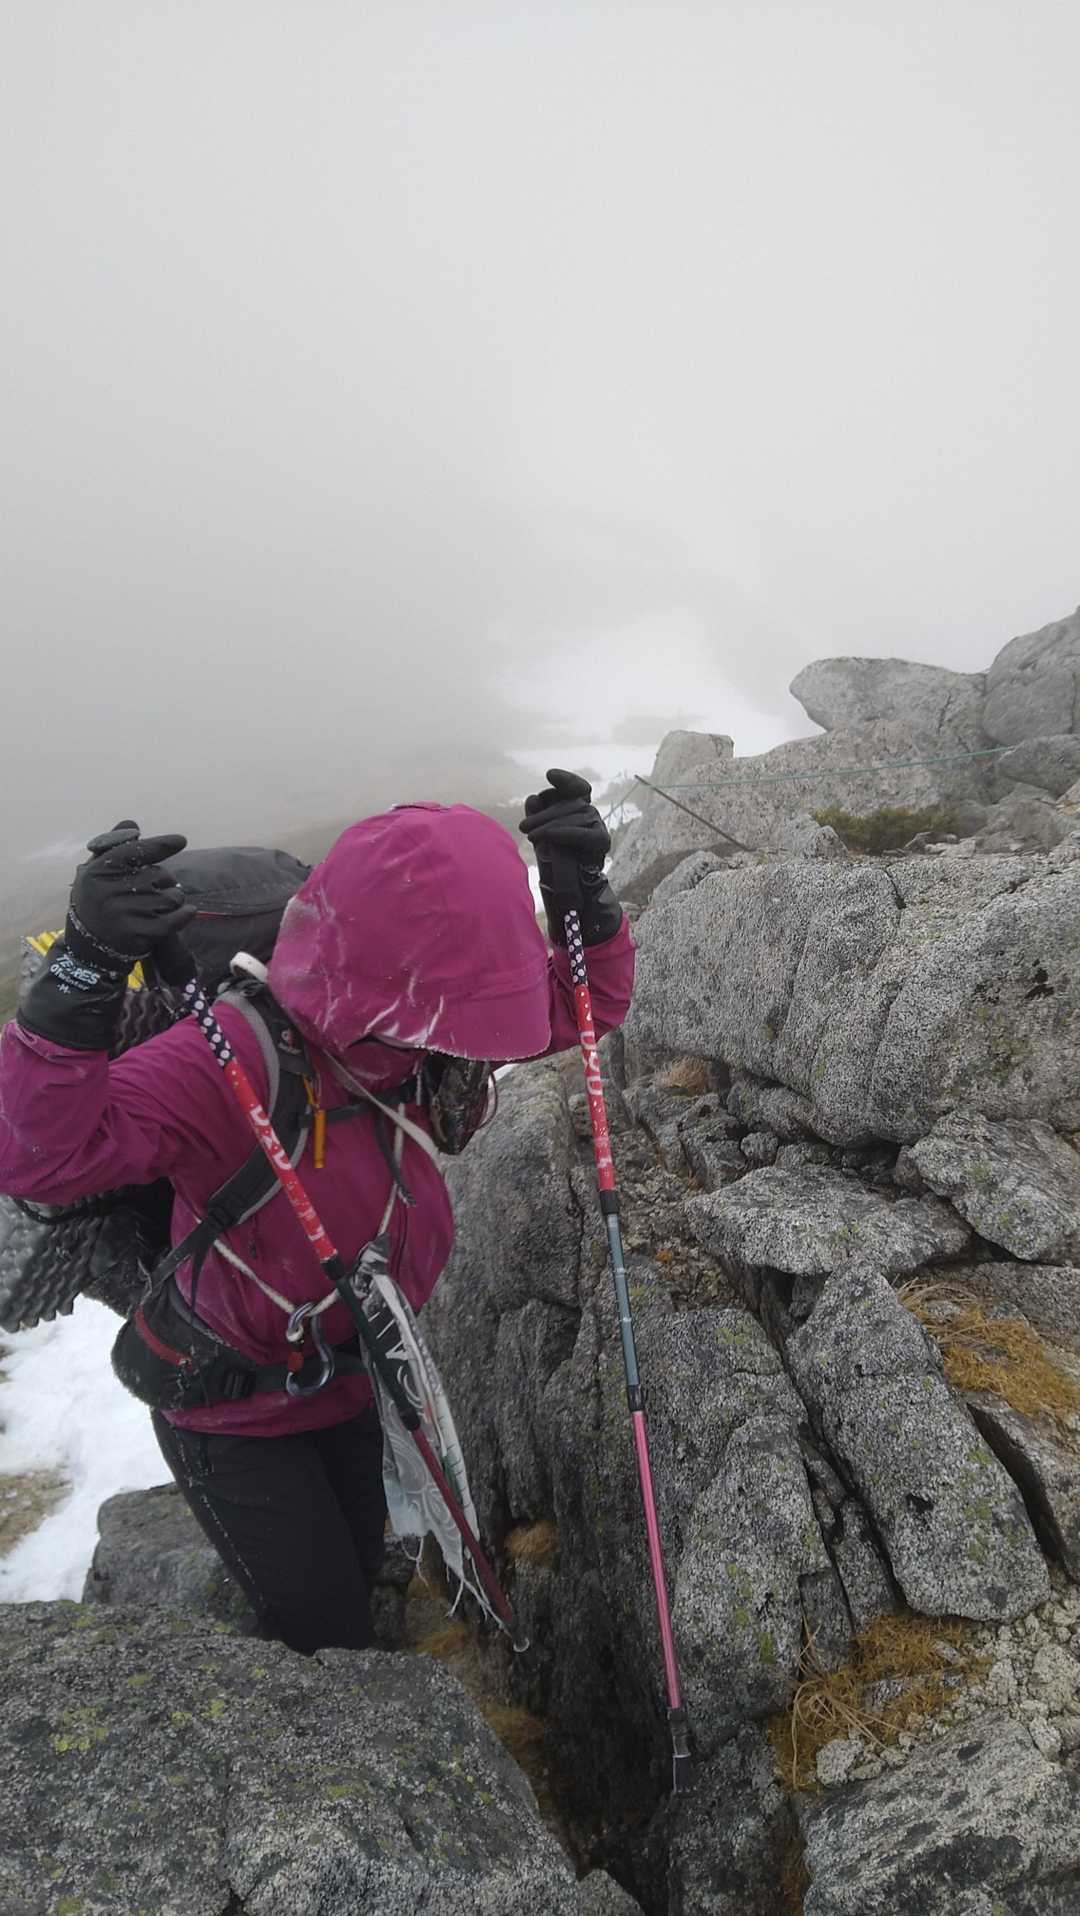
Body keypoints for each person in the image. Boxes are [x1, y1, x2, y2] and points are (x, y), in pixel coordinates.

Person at [0, 772, 634, 1654]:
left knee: (365, 1573)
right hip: (235, 1416)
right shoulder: (231, 1057)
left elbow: (578, 1013)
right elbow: (38, 1156)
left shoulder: (419, 1037)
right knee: (323, 1634)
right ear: (396, 982)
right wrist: (82, 970)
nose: (472, 1038)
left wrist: (582, 903)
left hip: (349, 1373)